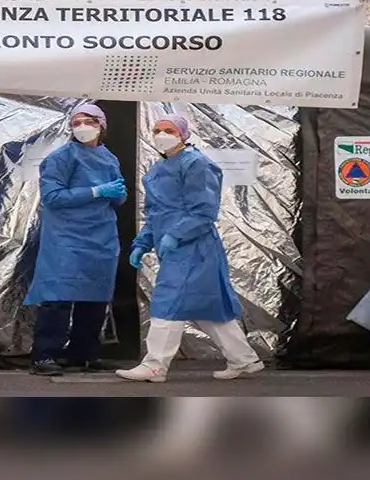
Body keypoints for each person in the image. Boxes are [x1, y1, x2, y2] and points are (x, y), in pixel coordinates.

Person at [116, 114, 263, 383]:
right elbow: (155, 213)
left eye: (168, 130)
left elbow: (204, 212)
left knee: (167, 301)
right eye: (157, 130)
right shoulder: (158, 169)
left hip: (196, 248)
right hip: (176, 247)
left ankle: (154, 365)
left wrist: (175, 234)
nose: (161, 134)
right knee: (208, 306)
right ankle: (244, 359)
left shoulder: (197, 164)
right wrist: (142, 243)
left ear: (183, 134)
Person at [24, 103, 127, 376]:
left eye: (88, 121)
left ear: (101, 125)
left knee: (94, 297)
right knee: (59, 297)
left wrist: (115, 193)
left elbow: (117, 198)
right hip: (66, 237)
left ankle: (83, 355)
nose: (81, 126)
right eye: (76, 121)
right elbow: (52, 198)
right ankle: (44, 356)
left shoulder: (109, 158)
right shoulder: (61, 158)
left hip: (101, 236)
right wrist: (96, 191)